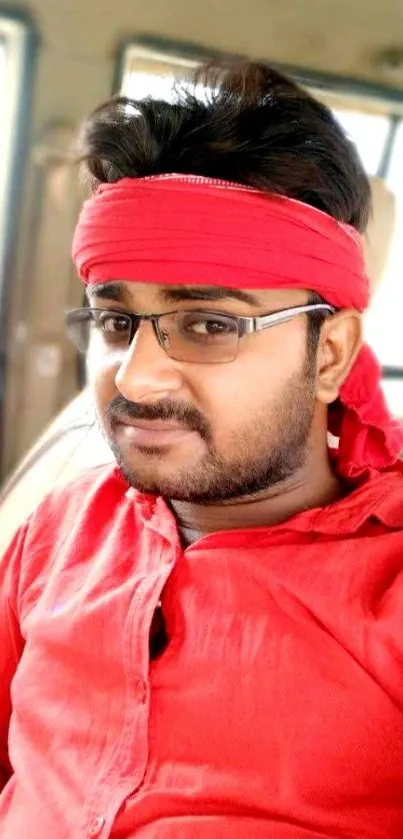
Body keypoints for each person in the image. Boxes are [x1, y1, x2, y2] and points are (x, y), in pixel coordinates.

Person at [1, 61, 403, 839]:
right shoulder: (60, 530)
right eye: (117, 324)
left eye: (210, 325)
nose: (140, 379)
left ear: (328, 356)